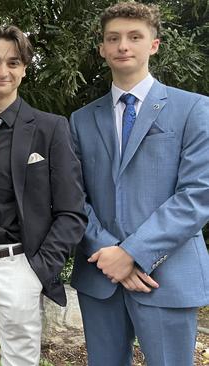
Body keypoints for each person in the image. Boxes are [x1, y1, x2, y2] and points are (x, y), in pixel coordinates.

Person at [69, 2, 209, 365]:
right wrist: (108, 253)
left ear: (154, 45)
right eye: (113, 38)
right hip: (100, 277)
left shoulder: (193, 109)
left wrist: (132, 254)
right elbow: (73, 195)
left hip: (167, 274)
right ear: (102, 48)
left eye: (134, 37)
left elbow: (197, 195)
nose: (123, 46)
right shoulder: (81, 120)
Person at [0, 25, 87, 365]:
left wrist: (38, 269)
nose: (2, 71)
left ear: (24, 69)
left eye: (12, 62)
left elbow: (73, 212)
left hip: (17, 265)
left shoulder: (50, 128)